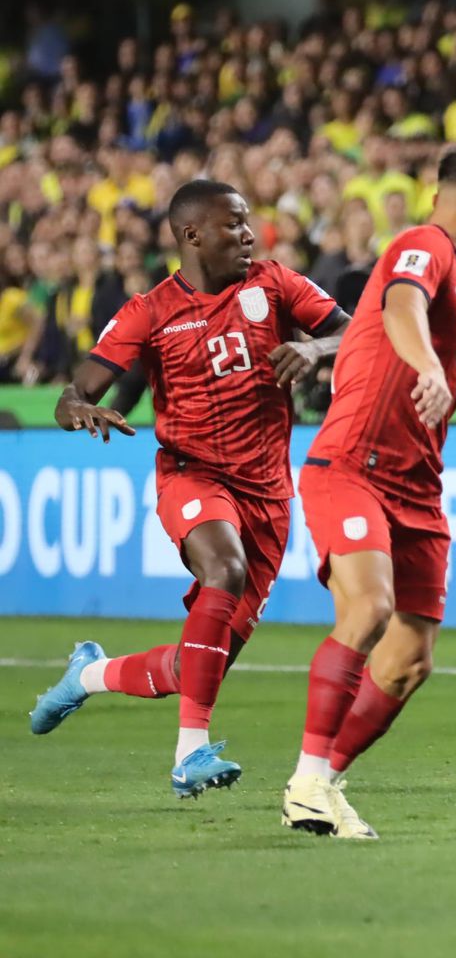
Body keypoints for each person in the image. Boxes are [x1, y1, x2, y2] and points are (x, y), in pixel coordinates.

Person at [31, 180, 350, 798]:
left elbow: (359, 332)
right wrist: (80, 410)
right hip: (192, 474)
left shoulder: (276, 284)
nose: (249, 234)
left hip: (269, 495)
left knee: (197, 665)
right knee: (223, 569)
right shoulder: (149, 312)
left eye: (248, 222)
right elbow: (73, 394)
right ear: (193, 234)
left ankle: (88, 675)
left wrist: (317, 346)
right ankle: (189, 755)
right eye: (234, 224)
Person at [281, 144, 456, 840]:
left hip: (418, 484)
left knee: (411, 659)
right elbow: (399, 303)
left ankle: (325, 781)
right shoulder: (425, 244)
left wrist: (330, 350)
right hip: (355, 463)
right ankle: (305, 781)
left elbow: (371, 326)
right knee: (370, 607)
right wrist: (428, 367)